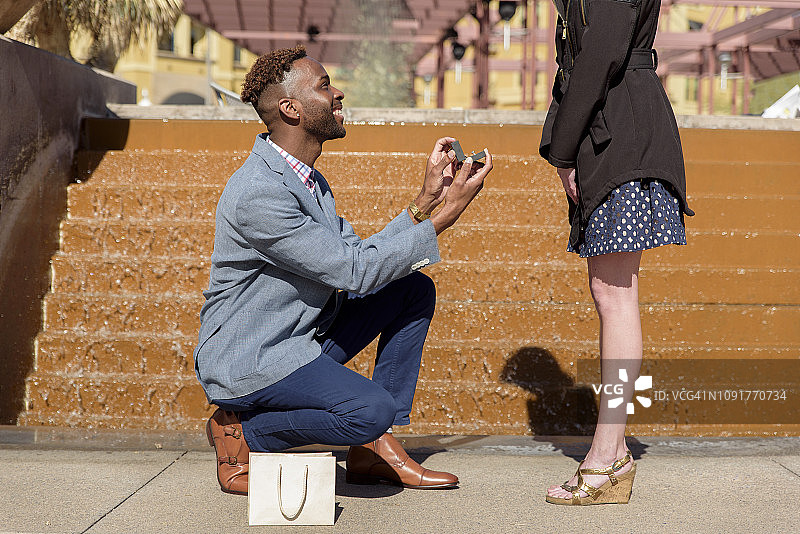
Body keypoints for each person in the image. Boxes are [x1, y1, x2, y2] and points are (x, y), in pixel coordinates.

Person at [195, 45, 492, 495]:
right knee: (370, 411)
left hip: (300, 336)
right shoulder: (259, 193)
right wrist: (445, 216)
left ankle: (372, 449)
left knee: (410, 289)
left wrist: (426, 201)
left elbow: (356, 255)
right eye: (324, 86)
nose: (338, 94)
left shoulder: (308, 179)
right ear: (291, 108)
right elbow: (356, 272)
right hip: (255, 358)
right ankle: (243, 433)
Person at [539, 0, 694, 505]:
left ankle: (608, 454)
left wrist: (563, 150)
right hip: (616, 129)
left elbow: (600, 53)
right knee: (612, 292)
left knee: (615, 294)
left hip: (620, 133)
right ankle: (613, 450)